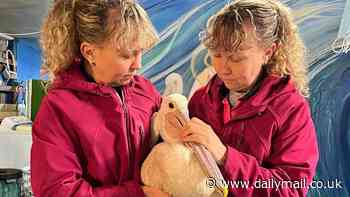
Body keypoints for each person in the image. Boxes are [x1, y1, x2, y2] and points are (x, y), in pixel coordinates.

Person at [30, 0, 170, 196]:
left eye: (140, 52)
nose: (137, 64)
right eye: (126, 55)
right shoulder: (58, 108)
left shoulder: (146, 91)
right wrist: (136, 194)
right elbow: (56, 191)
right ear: (89, 52)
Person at [182, 0, 319, 196]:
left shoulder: (291, 110)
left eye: (236, 58)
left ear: (268, 52)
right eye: (217, 54)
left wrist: (224, 156)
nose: (223, 68)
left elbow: (291, 190)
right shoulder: (200, 100)